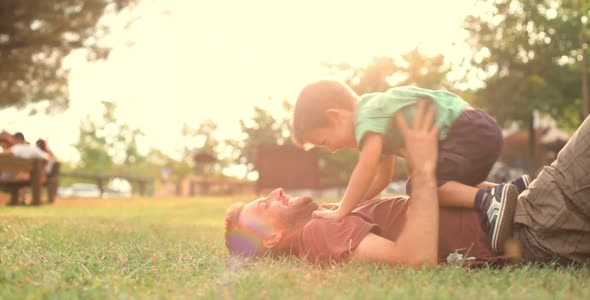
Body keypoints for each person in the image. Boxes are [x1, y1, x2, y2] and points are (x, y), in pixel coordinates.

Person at [224, 103, 590, 266]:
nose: (275, 194)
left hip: (532, 215)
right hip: (533, 225)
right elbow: (414, 260)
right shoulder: (319, 233)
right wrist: (426, 170)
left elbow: (379, 180)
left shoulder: (328, 218)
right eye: (264, 206)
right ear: (271, 238)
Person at [290, 80, 527, 252]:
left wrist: (342, 209)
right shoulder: (379, 121)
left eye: (324, 141)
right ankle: (513, 189)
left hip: (466, 130)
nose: (331, 149)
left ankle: (488, 200)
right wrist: (355, 207)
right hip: (476, 129)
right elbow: (382, 178)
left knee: (419, 187)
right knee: (443, 179)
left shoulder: (367, 115)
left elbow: (366, 168)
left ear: (335, 117)